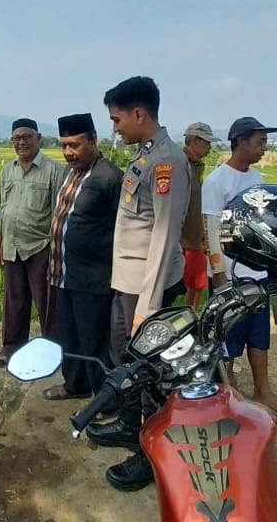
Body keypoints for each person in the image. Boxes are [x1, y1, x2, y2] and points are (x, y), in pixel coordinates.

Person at [86, 76, 192, 492]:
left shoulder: (168, 162)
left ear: (139, 114)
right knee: (124, 361)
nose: (114, 127)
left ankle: (153, 456)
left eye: (116, 119)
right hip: (127, 284)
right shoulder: (146, 156)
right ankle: (132, 426)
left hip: (149, 290)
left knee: (151, 372)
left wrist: (147, 307)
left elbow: (165, 237)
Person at [202, 116, 277, 420]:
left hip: (258, 271)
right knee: (228, 337)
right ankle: (230, 394)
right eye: (259, 142)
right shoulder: (217, 182)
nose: (264, 149)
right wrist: (219, 276)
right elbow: (210, 230)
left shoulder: (257, 179)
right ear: (241, 141)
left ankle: (263, 390)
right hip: (230, 274)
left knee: (259, 334)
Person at [41, 113, 123, 402]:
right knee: (69, 335)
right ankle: (74, 384)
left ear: (93, 140)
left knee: (95, 340)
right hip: (62, 272)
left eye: (75, 145)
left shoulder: (109, 177)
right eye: (64, 146)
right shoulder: (68, 174)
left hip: (93, 277)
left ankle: (101, 398)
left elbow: (122, 230)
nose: (69, 153)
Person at [0, 118, 66, 368]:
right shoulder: (7, 170)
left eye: (27, 137)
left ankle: (51, 354)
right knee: (14, 301)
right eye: (17, 138)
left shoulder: (54, 170)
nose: (21, 142)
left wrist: (56, 250)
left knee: (47, 304)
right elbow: (0, 208)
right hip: (12, 245)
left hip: (40, 247)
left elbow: (59, 214)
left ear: (38, 138)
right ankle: (11, 350)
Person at [181, 122, 219, 311]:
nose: (210, 147)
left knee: (197, 286)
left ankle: (189, 323)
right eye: (206, 143)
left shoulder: (197, 166)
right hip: (180, 240)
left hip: (195, 239)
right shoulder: (180, 164)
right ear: (193, 140)